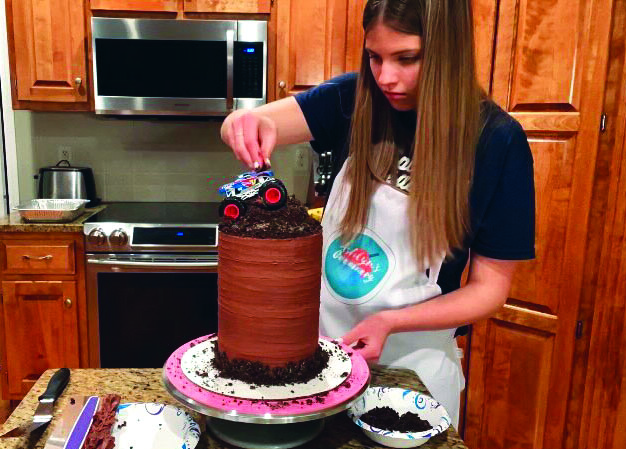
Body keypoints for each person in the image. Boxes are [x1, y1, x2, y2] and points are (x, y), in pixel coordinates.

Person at [220, 0, 535, 428]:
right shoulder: (354, 99)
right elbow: (246, 124)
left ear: (448, 51)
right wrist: (242, 122)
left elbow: (489, 290)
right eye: (374, 56)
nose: (386, 77)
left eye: (407, 58)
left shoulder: (496, 141)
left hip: (414, 370)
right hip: (319, 361)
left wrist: (391, 321)